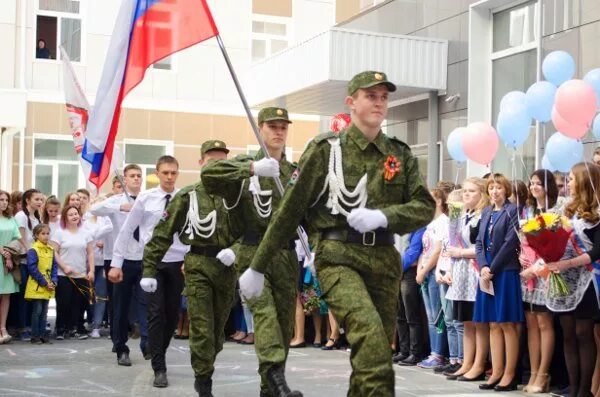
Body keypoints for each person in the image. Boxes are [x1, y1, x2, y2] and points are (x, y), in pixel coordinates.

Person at [239, 71, 436, 396]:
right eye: (370, 96)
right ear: (351, 102)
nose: (379, 102)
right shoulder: (326, 150)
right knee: (371, 339)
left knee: (373, 355)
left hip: (385, 262)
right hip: (338, 258)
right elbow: (290, 210)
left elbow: (424, 207)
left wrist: (382, 217)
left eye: (384, 97)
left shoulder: (398, 153)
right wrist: (257, 265)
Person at [200, 107, 303, 397]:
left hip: (285, 255)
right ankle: (275, 375)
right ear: (260, 129)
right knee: (265, 315)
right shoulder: (246, 164)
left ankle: (270, 388)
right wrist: (253, 169)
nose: (279, 132)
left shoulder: (293, 171)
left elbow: (309, 210)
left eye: (283, 126)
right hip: (252, 252)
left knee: (283, 327)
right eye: (272, 126)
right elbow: (209, 174)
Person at [143, 140, 243, 396]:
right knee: (201, 327)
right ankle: (203, 380)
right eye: (212, 161)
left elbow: (251, 233)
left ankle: (206, 364)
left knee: (218, 333)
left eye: (223, 162)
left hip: (226, 268)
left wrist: (236, 251)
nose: (218, 167)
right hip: (198, 264)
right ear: (201, 163)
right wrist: (149, 269)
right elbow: (163, 234)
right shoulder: (187, 196)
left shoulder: (237, 196)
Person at [116, 156, 189, 387]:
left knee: (172, 314)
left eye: (173, 173)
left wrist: (190, 256)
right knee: (156, 313)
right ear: (157, 173)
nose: (169, 177)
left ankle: (159, 350)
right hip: (153, 262)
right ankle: (159, 366)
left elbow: (191, 230)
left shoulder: (184, 198)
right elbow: (128, 229)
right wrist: (116, 262)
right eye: (165, 172)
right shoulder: (147, 198)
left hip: (177, 262)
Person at [546, 162, 600, 397]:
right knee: (567, 333)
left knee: (583, 333)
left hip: (588, 279)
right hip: (566, 278)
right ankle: (573, 386)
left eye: (571, 178)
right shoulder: (566, 209)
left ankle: (584, 390)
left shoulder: (598, 212)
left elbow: (597, 251)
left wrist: (566, 262)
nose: (568, 183)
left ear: (585, 181)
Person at [91, 164, 147, 364]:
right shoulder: (116, 200)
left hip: (143, 258)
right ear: (124, 179)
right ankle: (121, 347)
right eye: (132, 176)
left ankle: (146, 343)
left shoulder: (147, 198)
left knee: (145, 302)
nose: (136, 179)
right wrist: (120, 207)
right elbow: (93, 208)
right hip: (120, 261)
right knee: (120, 306)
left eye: (139, 175)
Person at [474, 173, 524, 392]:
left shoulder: (513, 211)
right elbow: (478, 243)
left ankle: (510, 374)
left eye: (499, 188)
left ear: (506, 190)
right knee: (492, 323)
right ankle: (496, 371)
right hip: (488, 273)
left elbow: (510, 242)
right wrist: (484, 266)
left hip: (505, 272)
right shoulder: (486, 212)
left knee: (507, 323)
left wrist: (492, 268)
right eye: (491, 188)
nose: (494, 192)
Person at [445, 178, 490, 381]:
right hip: (461, 273)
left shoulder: (484, 216)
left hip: (475, 271)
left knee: (478, 321)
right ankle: (467, 362)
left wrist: (461, 252)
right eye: (464, 191)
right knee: (466, 321)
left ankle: (479, 364)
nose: (466, 195)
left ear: (482, 194)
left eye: (471, 191)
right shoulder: (463, 214)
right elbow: (453, 240)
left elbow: (484, 247)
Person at [519, 169, 559, 393]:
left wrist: (537, 267)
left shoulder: (555, 212)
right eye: (532, 183)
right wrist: (522, 256)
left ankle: (544, 374)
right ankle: (533, 373)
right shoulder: (529, 211)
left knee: (544, 323)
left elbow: (555, 248)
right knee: (531, 323)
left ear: (548, 186)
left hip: (545, 273)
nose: (534, 187)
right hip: (528, 274)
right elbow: (525, 243)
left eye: (538, 184)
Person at [416, 188, 449, 370]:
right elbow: (425, 249)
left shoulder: (443, 222)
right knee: (430, 315)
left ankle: (439, 353)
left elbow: (437, 250)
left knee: (437, 316)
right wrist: (420, 268)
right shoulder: (431, 223)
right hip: (426, 271)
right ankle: (433, 352)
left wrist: (424, 269)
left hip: (435, 271)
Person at [51, 205, 94, 340]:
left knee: (80, 302)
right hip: (64, 275)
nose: (75, 216)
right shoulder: (59, 232)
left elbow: (91, 253)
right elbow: (54, 252)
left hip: (81, 274)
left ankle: (78, 328)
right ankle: (61, 329)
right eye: (71, 214)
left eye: (76, 213)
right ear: (65, 217)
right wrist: (64, 267)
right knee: (64, 302)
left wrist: (91, 270)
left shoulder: (85, 233)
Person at [14, 189, 44, 341]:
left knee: (32, 295)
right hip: (25, 262)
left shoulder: (37, 216)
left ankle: (32, 326)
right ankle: (22, 327)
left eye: (41, 199)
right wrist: (30, 253)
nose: (40, 201)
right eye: (37, 199)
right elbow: (20, 237)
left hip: (35, 262)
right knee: (23, 296)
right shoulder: (21, 216)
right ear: (27, 200)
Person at [395, 226, 426, 366]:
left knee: (411, 316)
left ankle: (415, 353)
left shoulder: (420, 228)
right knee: (400, 315)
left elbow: (413, 253)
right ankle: (403, 350)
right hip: (398, 272)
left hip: (409, 272)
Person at [83, 196, 113, 339]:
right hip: (89, 263)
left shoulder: (108, 219)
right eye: (95, 203)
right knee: (90, 295)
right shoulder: (85, 220)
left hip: (104, 262)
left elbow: (113, 237)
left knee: (101, 295)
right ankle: (91, 321)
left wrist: (105, 244)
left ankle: (97, 326)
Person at [25, 224, 58, 344]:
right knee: (37, 311)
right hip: (37, 285)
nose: (46, 236)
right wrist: (44, 282)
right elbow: (32, 268)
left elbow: (54, 266)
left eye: (47, 233)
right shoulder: (33, 250)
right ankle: (35, 335)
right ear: (36, 235)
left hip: (48, 285)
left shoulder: (51, 249)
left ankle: (43, 334)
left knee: (45, 312)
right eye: (42, 234)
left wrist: (54, 281)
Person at [0, 190, 21, 344]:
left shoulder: (11, 219)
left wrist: (8, 254)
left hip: (8, 261)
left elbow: (16, 239)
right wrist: (3, 252)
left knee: (6, 295)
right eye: (1, 199)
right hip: (3, 257)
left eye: (6, 200)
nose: (4, 202)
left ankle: (3, 328)